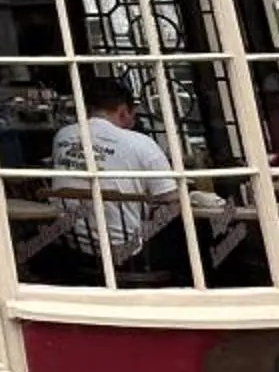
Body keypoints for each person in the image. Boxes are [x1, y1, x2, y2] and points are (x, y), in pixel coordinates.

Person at [49, 82, 182, 261]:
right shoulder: (141, 143)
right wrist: (146, 231)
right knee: (184, 226)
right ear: (123, 111)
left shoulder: (63, 135)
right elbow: (172, 199)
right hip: (121, 250)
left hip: (70, 244)